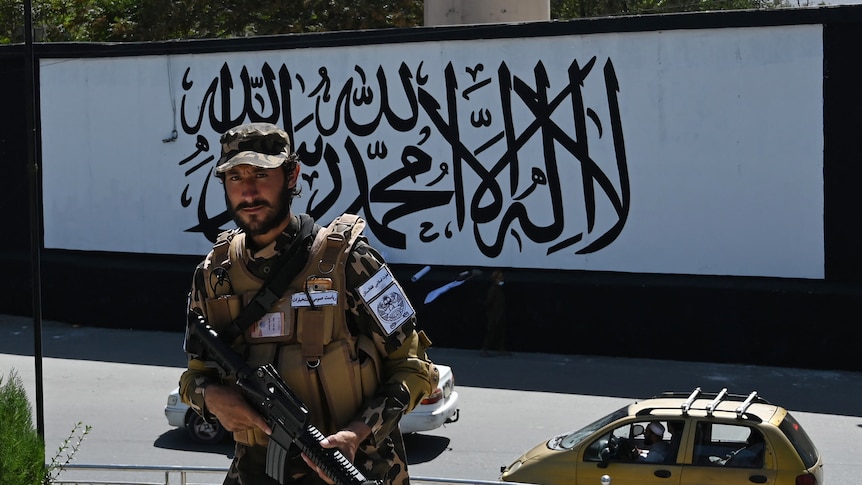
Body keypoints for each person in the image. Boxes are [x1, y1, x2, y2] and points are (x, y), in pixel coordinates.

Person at [178, 122, 439, 485]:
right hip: (257, 472)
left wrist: (356, 433)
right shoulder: (213, 275)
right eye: (235, 177)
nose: (248, 190)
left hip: (357, 469)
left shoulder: (352, 263)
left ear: (291, 174)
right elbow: (193, 375)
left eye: (261, 174)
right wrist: (208, 397)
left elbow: (415, 370)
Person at [481, 270, 508, 357]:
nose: (502, 279)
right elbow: (490, 302)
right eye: (500, 277)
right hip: (494, 315)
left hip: (500, 313)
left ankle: (501, 349)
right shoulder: (493, 289)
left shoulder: (499, 289)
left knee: (501, 332)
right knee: (491, 332)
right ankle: (485, 349)